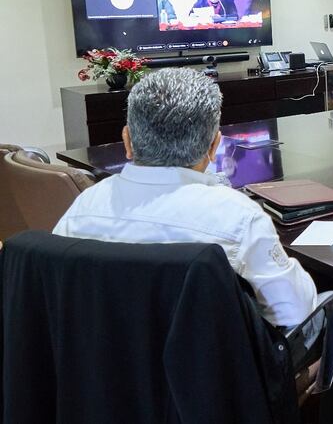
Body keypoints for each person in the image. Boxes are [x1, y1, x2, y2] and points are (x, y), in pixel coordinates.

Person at [53, 68, 318, 327]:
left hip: (104, 366)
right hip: (208, 369)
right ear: (214, 146)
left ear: (127, 141)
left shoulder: (83, 207)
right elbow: (295, 312)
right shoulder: (238, 217)